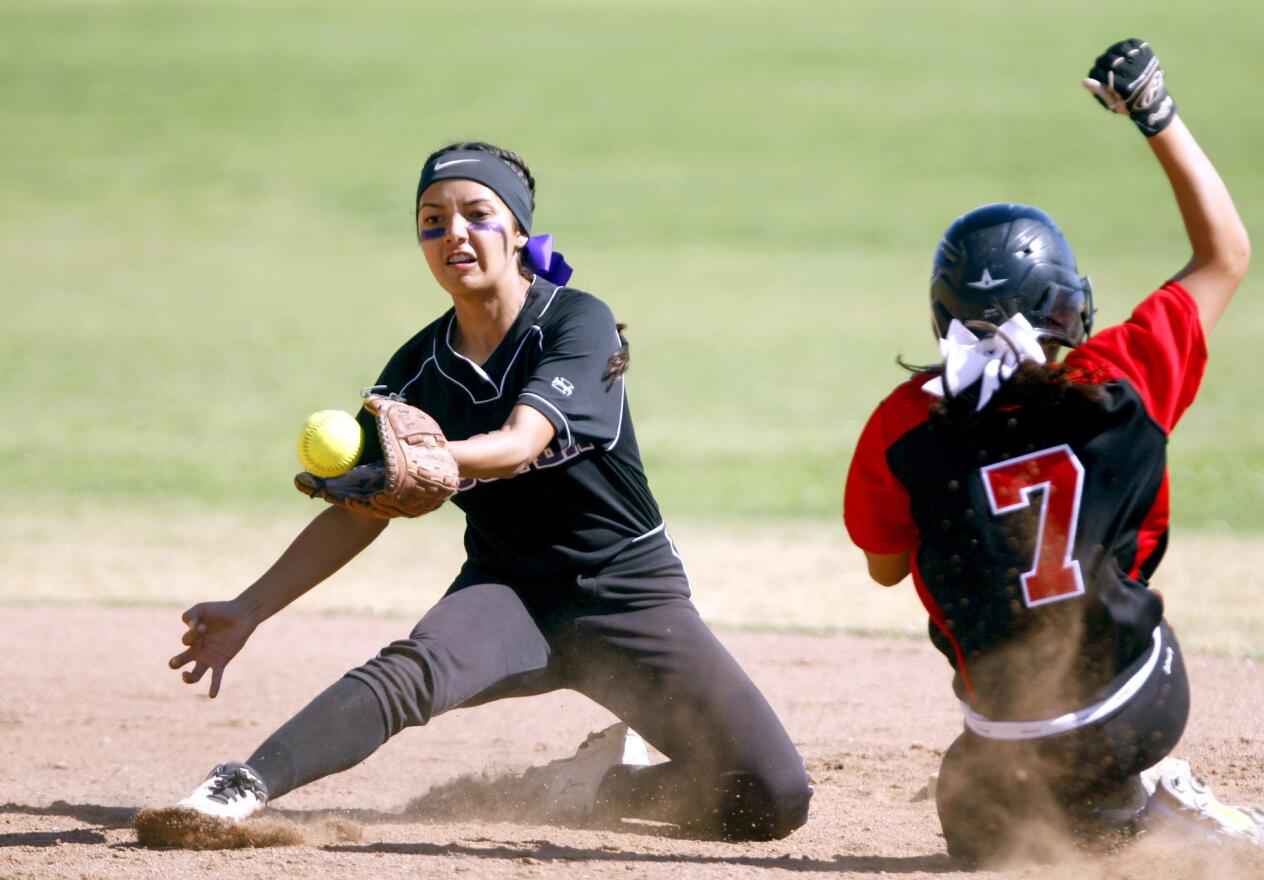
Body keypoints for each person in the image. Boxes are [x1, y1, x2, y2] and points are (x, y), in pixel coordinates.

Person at [167, 140, 812, 841]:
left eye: (477, 213)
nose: (455, 234)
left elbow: (518, 443)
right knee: (412, 672)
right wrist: (250, 607)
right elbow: (359, 515)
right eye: (433, 220)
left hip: (631, 597)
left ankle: (595, 786)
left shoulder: (576, 322)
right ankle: (239, 786)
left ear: (518, 233)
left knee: (772, 799)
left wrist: (433, 454)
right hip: (508, 596)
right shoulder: (415, 376)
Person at [842, 40, 1264, 866]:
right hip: (1138, 705)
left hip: (1005, 739)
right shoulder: (1116, 376)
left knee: (981, 831)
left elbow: (884, 568)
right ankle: (1151, 800)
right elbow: (1225, 252)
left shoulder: (902, 426)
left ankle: (1125, 806)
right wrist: (1155, 113)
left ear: (943, 319)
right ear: (1067, 307)